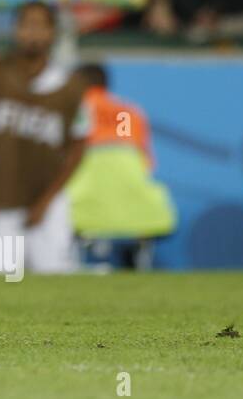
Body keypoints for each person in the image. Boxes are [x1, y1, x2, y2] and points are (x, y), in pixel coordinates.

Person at [0, 0, 87, 273]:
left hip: (48, 201)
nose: (33, 33)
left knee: (56, 278)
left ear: (53, 33)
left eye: (41, 26)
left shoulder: (71, 84)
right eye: (26, 25)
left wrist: (48, 199)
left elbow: (79, 146)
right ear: (15, 30)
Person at [65, 64, 176, 268]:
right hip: (139, 209)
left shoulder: (71, 111)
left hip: (83, 207)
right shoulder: (128, 113)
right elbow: (144, 163)